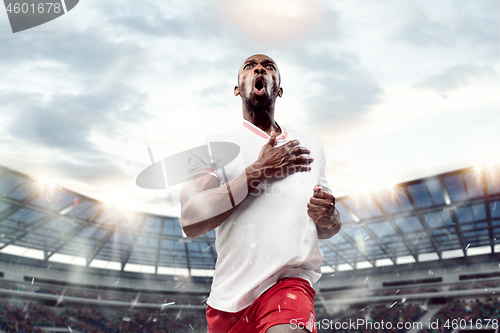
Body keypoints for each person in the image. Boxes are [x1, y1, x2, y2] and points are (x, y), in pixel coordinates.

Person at [180, 54, 342, 333]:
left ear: (279, 89)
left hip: (290, 284)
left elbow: (329, 226)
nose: (259, 68)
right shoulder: (210, 145)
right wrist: (258, 171)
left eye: (269, 66)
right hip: (229, 300)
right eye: (249, 66)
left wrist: (328, 216)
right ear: (237, 88)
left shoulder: (311, 145)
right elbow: (191, 219)